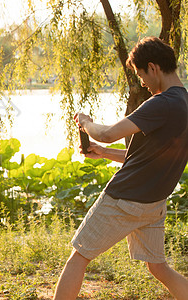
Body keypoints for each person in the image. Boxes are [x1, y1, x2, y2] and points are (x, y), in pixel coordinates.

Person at [53, 37, 188, 300]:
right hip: (153, 204)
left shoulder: (161, 103)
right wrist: (103, 154)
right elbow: (148, 157)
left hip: (124, 198)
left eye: (141, 75)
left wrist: (86, 122)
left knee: (79, 256)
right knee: (158, 266)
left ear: (153, 67)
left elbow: (107, 133)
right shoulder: (184, 104)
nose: (142, 83)